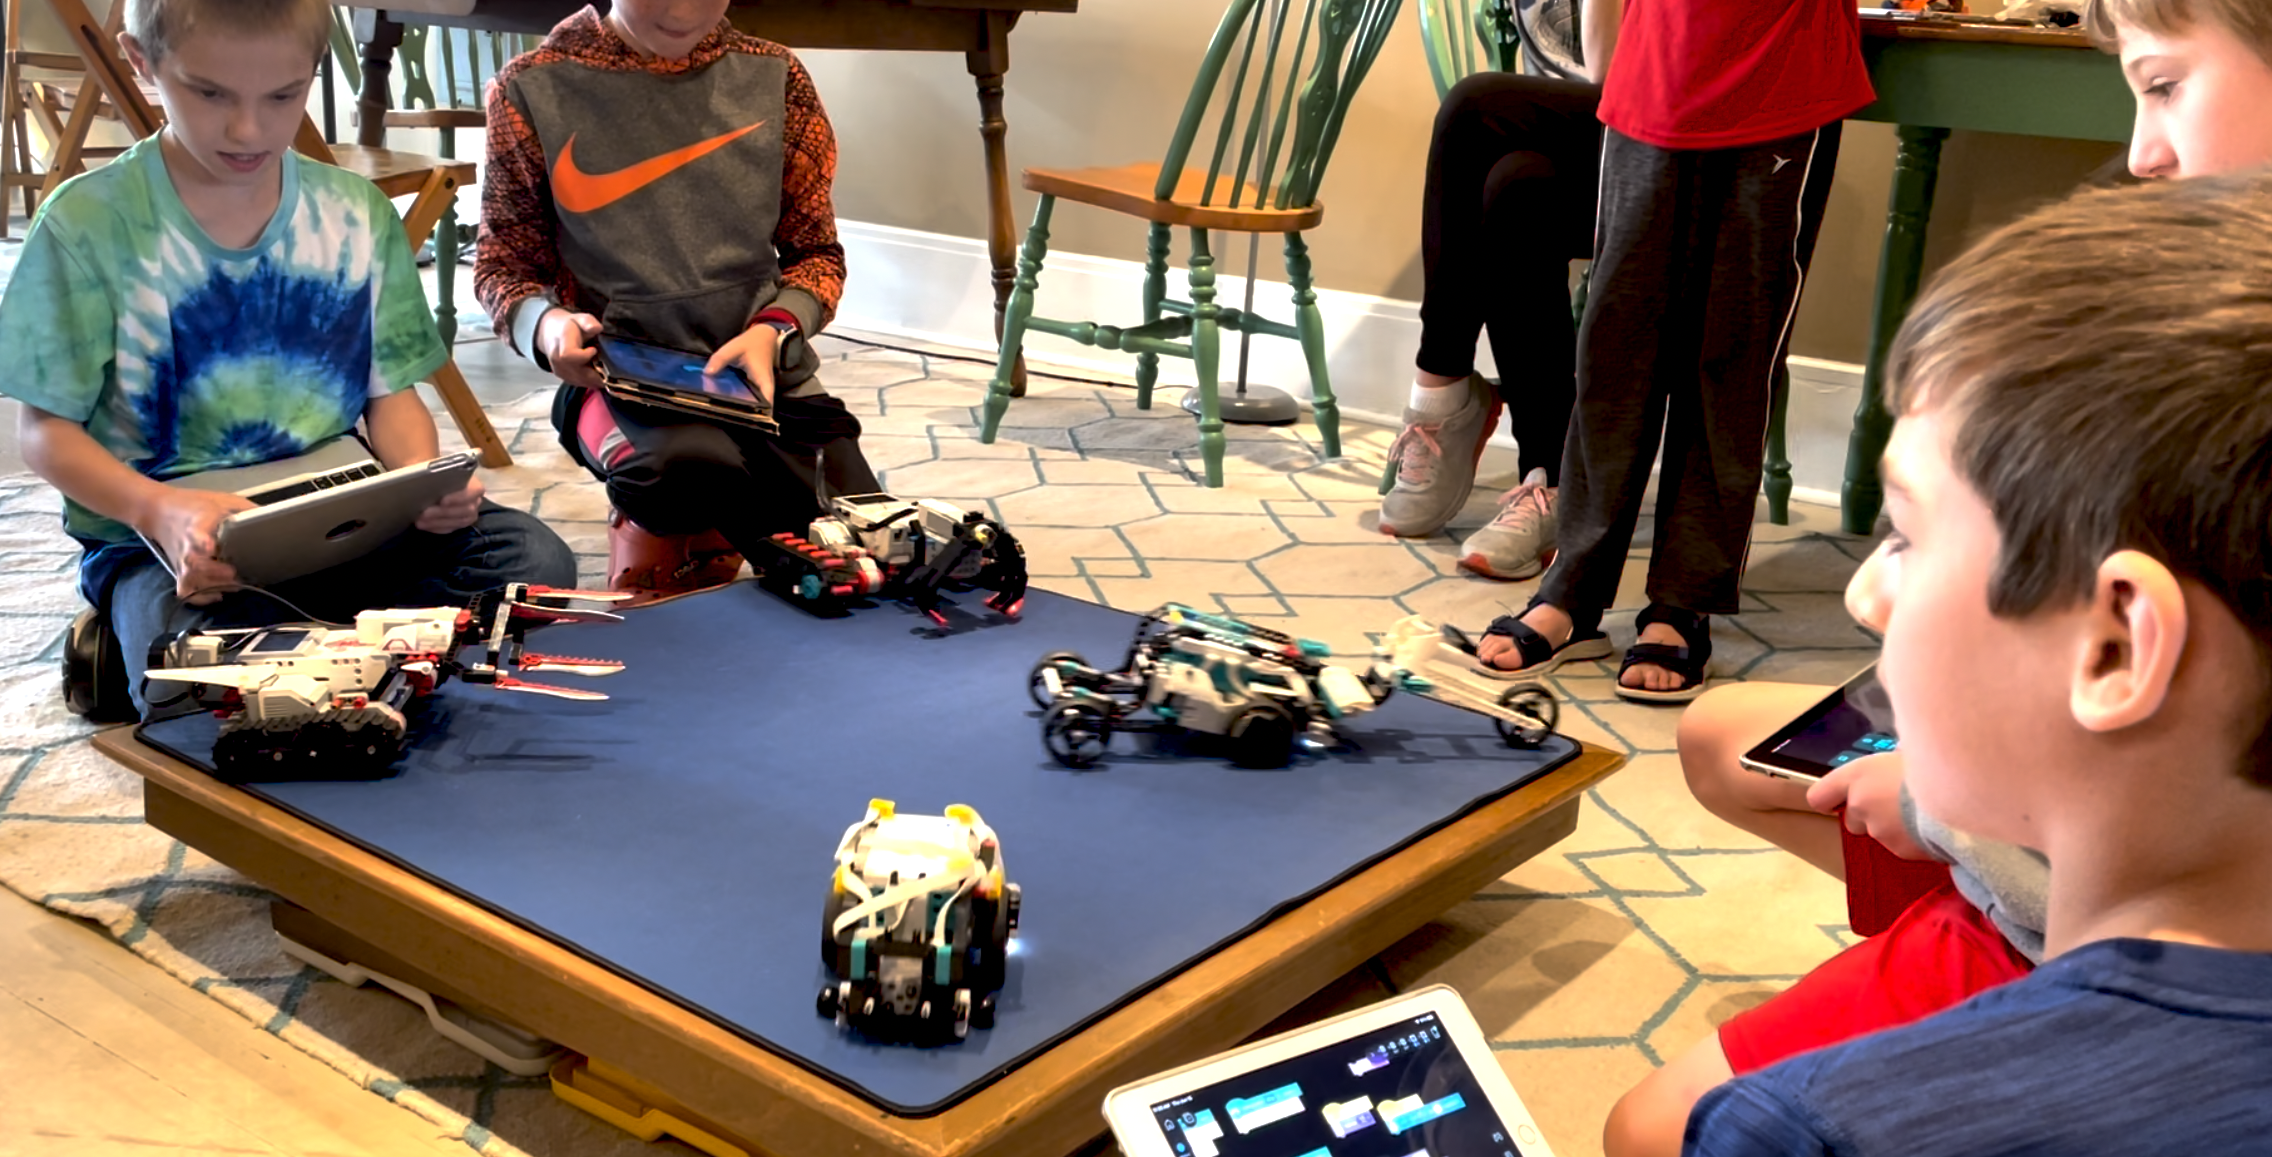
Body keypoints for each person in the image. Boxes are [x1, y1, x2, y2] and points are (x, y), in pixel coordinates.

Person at [1600, 3, 2272, 1148]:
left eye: (1905, 536)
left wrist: (1936, 804)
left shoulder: (1786, 1130)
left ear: (2116, 644)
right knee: (1732, 735)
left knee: (1648, 1124)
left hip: (2066, 914)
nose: (1861, 594)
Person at [0, 0, 576, 720]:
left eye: (283, 96)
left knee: (537, 567)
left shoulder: (357, 213)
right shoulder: (85, 223)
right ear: (142, 64)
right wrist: (159, 510)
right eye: (210, 93)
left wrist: (416, 486)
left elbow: (391, 396)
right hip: (173, 542)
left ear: (312, 72)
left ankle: (324, 647)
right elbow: (44, 433)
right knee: (191, 681)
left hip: (343, 512)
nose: (248, 129)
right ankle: (325, 645)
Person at [1469, 0, 1869, 703]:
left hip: (1781, 84)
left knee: (1731, 354)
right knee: (1615, 349)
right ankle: (1572, 588)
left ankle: (1683, 600)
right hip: (1652, 76)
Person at [474, 0, 881, 602]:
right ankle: (665, 535)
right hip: (623, 384)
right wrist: (547, 326)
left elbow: (817, 255)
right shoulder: (532, 87)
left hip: (765, 377)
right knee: (688, 475)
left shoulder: (777, 76)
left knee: (867, 552)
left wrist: (774, 329)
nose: (684, 8)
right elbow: (503, 266)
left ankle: (723, 538)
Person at [1373, 0, 1620, 581]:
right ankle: (1549, 476)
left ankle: (1441, 389)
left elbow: (1610, 74)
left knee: (1472, 104)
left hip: (1666, 145)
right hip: (1568, 147)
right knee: (1517, 189)